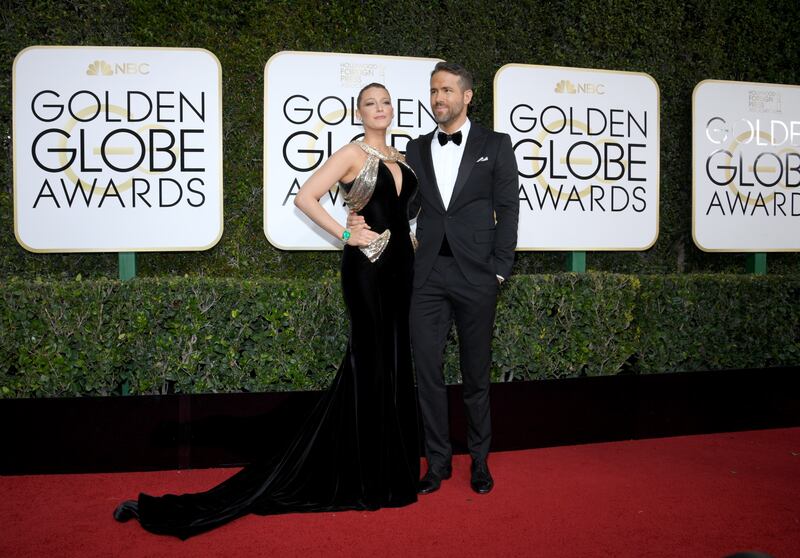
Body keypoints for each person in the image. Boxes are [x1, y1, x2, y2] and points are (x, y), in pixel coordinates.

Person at [113, 83, 420, 539]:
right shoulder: (351, 154)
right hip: (367, 270)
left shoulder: (404, 157)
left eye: (386, 102)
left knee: (395, 363)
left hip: (401, 271)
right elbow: (305, 197)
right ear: (359, 113)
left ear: (393, 110)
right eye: (370, 103)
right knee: (370, 365)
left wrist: (412, 239)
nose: (380, 109)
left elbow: (401, 211)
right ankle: (365, 473)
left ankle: (390, 471)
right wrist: (345, 233)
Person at [350, 61, 519, 495]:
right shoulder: (416, 148)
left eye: (446, 90)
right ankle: (437, 463)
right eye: (433, 91)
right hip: (426, 276)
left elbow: (508, 209)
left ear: (467, 96)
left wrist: (500, 268)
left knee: (476, 375)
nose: (438, 98)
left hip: (477, 275)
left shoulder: (496, 144)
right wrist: (357, 215)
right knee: (427, 372)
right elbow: (400, 204)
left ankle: (479, 461)